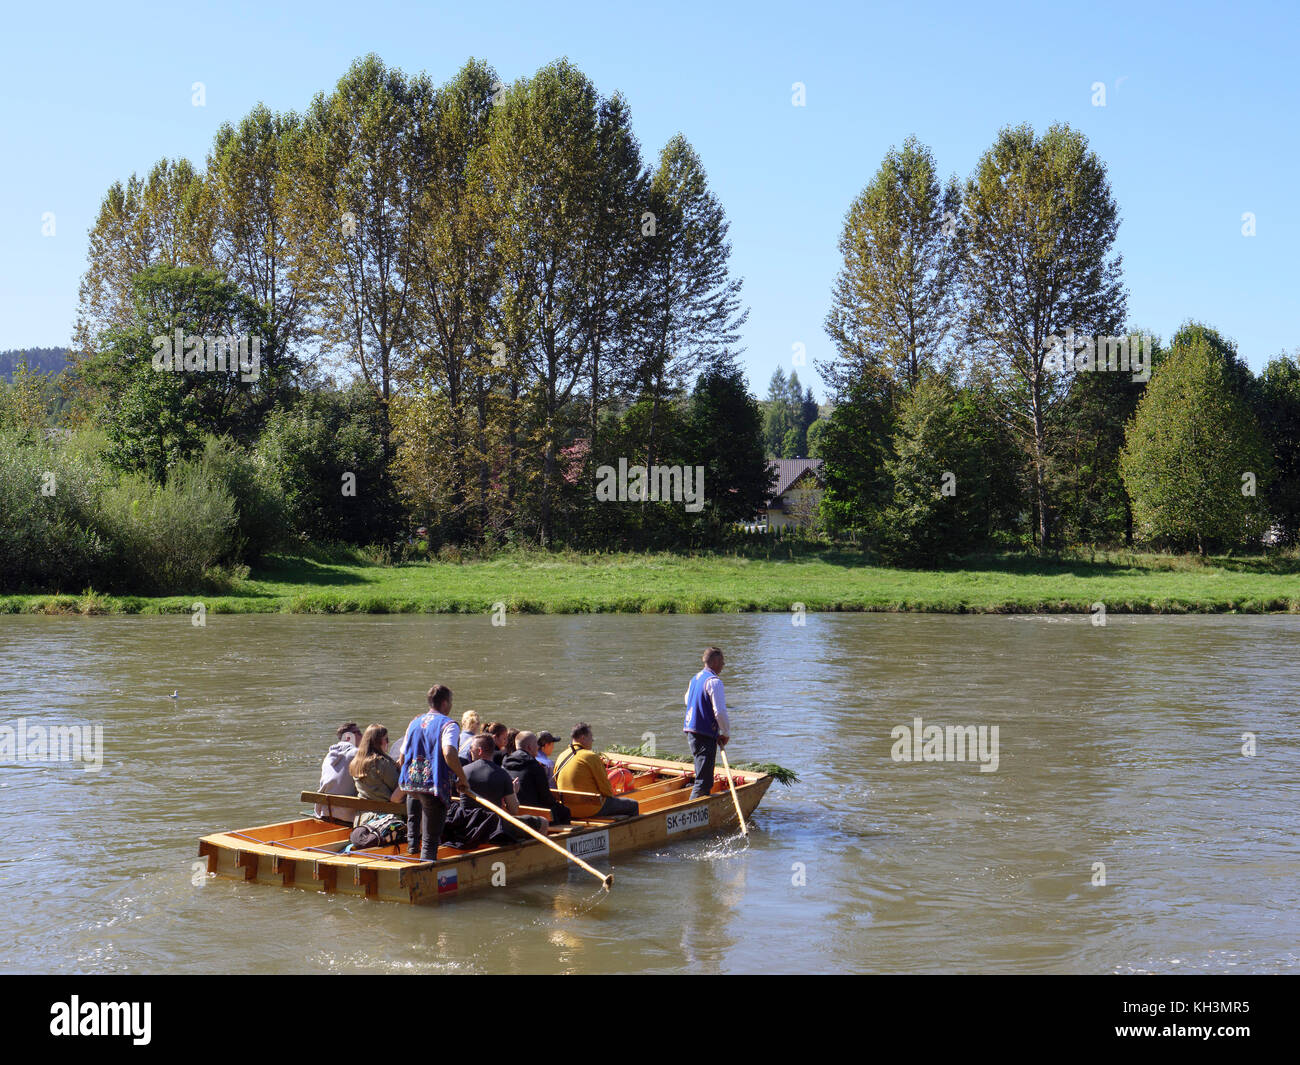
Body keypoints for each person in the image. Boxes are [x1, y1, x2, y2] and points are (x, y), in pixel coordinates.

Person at [398, 686, 471, 860]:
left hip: (411, 783)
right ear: (445, 703)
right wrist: (462, 778)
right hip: (433, 786)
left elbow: (402, 757)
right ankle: (424, 877)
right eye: (451, 702)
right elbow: (449, 753)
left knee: (414, 823)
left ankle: (412, 852)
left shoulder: (414, 722)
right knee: (431, 840)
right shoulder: (449, 724)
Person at [465, 735, 549, 840]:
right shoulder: (502, 774)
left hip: (467, 826)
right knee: (543, 822)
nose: (470, 750)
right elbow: (514, 810)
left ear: (479, 751)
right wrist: (513, 792)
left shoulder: (463, 771)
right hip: (493, 827)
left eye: (471, 747)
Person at [553, 722, 638, 819]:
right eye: (591, 736)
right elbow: (606, 789)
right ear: (582, 737)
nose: (593, 740)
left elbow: (557, 782)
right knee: (633, 805)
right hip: (591, 809)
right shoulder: (590, 756)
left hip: (568, 809)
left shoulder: (561, 756)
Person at [684, 646, 731, 799]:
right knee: (704, 781)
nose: (723, 665)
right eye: (722, 661)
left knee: (702, 774)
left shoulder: (695, 678)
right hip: (704, 734)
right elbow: (720, 712)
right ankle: (694, 809)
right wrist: (725, 733)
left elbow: (687, 700)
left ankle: (702, 805)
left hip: (692, 732)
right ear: (715, 662)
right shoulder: (714, 682)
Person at [503, 731, 571, 825]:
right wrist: (556, 803)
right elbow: (545, 797)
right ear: (529, 747)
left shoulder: (505, 763)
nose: (538, 747)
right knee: (565, 812)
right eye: (536, 744)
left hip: (513, 810)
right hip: (535, 813)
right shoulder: (535, 766)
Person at [349, 723, 401, 826]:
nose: (388, 742)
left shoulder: (356, 762)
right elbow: (398, 788)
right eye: (386, 739)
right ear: (378, 742)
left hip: (362, 818)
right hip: (386, 819)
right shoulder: (381, 763)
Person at [315, 722, 362, 822]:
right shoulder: (357, 754)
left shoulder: (328, 756)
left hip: (325, 812)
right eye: (358, 733)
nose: (362, 736)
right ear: (348, 738)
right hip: (348, 816)